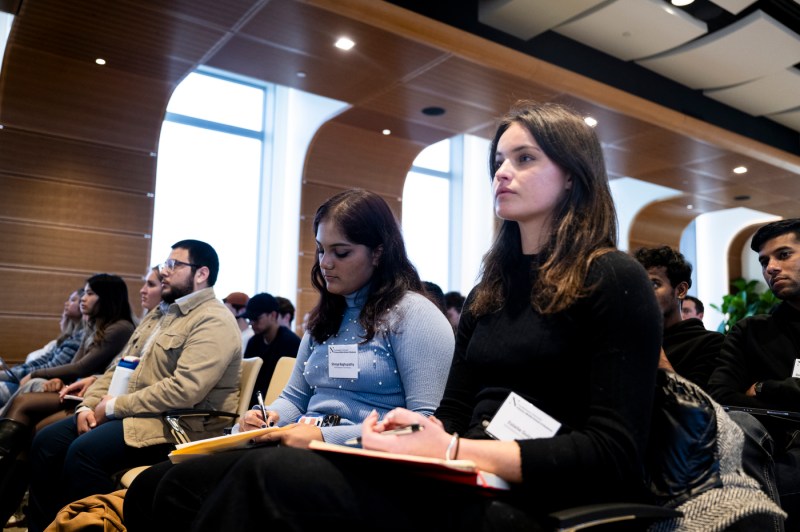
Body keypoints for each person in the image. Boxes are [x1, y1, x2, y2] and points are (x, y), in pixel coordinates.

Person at [127, 102, 662, 531]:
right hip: (461, 474)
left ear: (573, 176)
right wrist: (406, 432)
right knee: (171, 485)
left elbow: (614, 454)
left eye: (525, 159)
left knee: (278, 474)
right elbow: (449, 412)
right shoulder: (491, 293)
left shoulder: (613, 278)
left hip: (539, 496)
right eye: (498, 160)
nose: (502, 172)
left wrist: (450, 448)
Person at [124, 188, 456, 531]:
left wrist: (324, 438)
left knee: (183, 489)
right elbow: (295, 397)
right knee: (151, 484)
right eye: (321, 249)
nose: (325, 263)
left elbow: (422, 424)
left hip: (364, 458)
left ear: (378, 253)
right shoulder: (327, 316)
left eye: (341, 252)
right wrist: (267, 416)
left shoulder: (416, 316)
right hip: (300, 443)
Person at [25, 239, 242, 532]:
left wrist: (112, 407)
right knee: (47, 442)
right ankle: (48, 527)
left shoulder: (214, 320)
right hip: (141, 413)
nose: (165, 271)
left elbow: (186, 389)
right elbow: (118, 367)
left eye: (174, 265)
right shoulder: (160, 315)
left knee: (84, 453)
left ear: (201, 274)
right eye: (166, 264)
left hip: (180, 425)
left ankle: (94, 525)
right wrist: (89, 405)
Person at [0, 274, 136, 527]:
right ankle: (13, 503)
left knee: (31, 415)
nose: (84, 298)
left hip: (91, 394)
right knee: (27, 408)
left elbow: (84, 368)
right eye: (83, 293)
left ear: (106, 298)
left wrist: (39, 374)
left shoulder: (120, 328)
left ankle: (22, 508)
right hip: (81, 389)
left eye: (90, 293)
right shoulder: (96, 325)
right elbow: (78, 369)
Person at [709, 218, 800, 529]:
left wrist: (764, 388)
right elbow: (722, 397)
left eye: (783, 255)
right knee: (738, 424)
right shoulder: (751, 330)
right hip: (768, 446)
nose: (771, 267)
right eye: (764, 261)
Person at [633, 246, 723, 390]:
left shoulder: (710, 343)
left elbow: (698, 405)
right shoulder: (627, 338)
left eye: (654, 284)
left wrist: (653, 347)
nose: (642, 292)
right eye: (638, 285)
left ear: (681, 290)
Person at [0, 289, 86, 407]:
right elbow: (43, 360)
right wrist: (16, 370)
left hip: (52, 383)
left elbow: (53, 366)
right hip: (30, 379)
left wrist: (22, 373)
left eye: (72, 300)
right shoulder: (72, 335)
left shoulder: (80, 337)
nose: (66, 304)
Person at [239, 292, 301, 406]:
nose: (252, 323)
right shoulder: (253, 342)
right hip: (253, 404)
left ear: (273, 315)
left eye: (256, 319)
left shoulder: (291, 343)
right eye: (249, 319)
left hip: (279, 406)